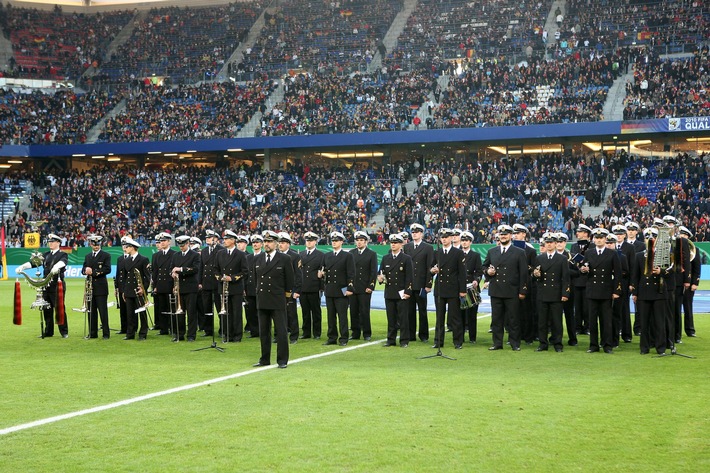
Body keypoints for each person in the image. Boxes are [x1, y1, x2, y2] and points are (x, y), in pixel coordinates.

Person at [483, 224, 528, 351]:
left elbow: (523, 273)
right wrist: (488, 272)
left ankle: (515, 343)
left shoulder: (519, 252)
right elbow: (484, 266)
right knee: (497, 319)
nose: (503, 236)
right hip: (496, 290)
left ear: (511, 236)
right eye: (501, 234)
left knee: (513, 319)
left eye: (506, 234)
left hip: (512, 290)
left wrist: (522, 290)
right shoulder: (492, 251)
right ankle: (497, 343)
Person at [253, 230, 294, 369]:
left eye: (269, 242)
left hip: (277, 300)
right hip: (262, 299)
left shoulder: (284, 259)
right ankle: (264, 359)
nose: (267, 244)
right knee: (263, 332)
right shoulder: (258, 259)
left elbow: (290, 281)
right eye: (265, 241)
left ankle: (282, 360)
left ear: (276, 243)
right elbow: (255, 279)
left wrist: (287, 298)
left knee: (281, 331)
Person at [17, 233, 68, 338]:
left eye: (52, 242)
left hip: (56, 285)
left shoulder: (62, 254)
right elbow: (34, 263)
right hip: (46, 285)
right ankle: (48, 331)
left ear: (58, 242)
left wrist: (56, 267)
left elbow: (63, 262)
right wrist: (23, 266)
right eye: (49, 242)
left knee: (59, 308)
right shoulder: (46, 255)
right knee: (46, 308)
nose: (50, 244)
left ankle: (64, 331)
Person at [580, 228, 622, 354]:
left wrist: (616, 291)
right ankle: (593, 345)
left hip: (606, 291)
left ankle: (607, 345)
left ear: (605, 239)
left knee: (606, 320)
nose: (598, 240)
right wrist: (583, 270)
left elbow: (618, 274)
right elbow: (584, 270)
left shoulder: (612, 253)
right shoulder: (589, 253)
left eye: (601, 238)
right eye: (596, 238)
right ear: (593, 239)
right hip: (592, 291)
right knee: (592, 321)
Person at [631, 227, 670, 355]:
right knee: (644, 323)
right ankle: (644, 348)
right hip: (644, 293)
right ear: (644, 239)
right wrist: (635, 293)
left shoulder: (664, 255)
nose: (650, 239)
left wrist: (661, 272)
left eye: (652, 237)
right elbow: (635, 276)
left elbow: (671, 273)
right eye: (647, 238)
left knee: (660, 323)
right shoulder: (639, 255)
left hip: (659, 292)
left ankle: (661, 348)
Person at [532, 233, 570, 352]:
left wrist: (565, 293)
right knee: (542, 321)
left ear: (555, 243)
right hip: (543, 293)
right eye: (547, 242)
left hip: (556, 294)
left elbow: (565, 278)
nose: (549, 244)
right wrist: (535, 275)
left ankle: (558, 344)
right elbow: (534, 275)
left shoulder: (562, 259)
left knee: (556, 321)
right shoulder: (539, 258)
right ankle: (543, 344)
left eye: (551, 242)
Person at [430, 228, 467, 349]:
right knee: (439, 317)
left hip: (453, 288)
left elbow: (462, 273)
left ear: (451, 238)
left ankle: (458, 341)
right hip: (440, 289)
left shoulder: (458, 253)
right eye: (442, 237)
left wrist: (462, 290)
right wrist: (433, 271)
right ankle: (438, 341)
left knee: (455, 317)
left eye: (446, 237)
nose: (444, 239)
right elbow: (430, 269)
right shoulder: (437, 253)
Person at [319, 231, 354, 346]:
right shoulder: (327, 256)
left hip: (341, 289)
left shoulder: (347, 256)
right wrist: (321, 275)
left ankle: (344, 337)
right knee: (330, 316)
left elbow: (351, 273)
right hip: (330, 289)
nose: (334, 243)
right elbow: (323, 270)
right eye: (333, 241)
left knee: (342, 316)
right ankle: (332, 337)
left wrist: (349, 288)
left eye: (336, 241)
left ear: (341, 242)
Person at [378, 233, 413, 347]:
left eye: (395, 243)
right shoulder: (385, 258)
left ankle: (404, 340)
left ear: (401, 244)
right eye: (392, 243)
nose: (393, 245)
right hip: (389, 291)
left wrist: (408, 291)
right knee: (391, 318)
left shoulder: (406, 258)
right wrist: (380, 279)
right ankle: (391, 339)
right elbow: (381, 273)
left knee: (403, 318)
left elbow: (409, 277)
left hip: (401, 291)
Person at [214, 230, 248, 343]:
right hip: (223, 287)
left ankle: (237, 335)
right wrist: (220, 278)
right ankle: (226, 334)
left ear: (233, 240)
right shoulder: (219, 254)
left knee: (237, 312)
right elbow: (215, 269)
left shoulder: (241, 254)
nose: (224, 241)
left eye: (227, 239)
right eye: (224, 239)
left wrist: (232, 278)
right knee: (225, 313)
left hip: (236, 287)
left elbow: (244, 272)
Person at [403, 223, 434, 343]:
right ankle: (411, 334)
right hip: (410, 285)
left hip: (421, 284)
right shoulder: (407, 247)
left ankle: (423, 335)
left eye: (417, 232)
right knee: (409, 311)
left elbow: (429, 267)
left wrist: (428, 284)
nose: (414, 234)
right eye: (413, 232)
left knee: (422, 311)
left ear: (421, 233)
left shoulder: (428, 248)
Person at [171, 235, 202, 342]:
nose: (181, 247)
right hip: (179, 287)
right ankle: (180, 334)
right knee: (179, 313)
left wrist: (180, 269)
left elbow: (195, 269)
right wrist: (173, 273)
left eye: (183, 245)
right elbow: (172, 268)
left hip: (190, 287)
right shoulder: (176, 255)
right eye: (180, 245)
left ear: (188, 243)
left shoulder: (195, 255)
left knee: (191, 313)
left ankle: (191, 335)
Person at [120, 237, 151, 341]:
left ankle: (143, 333)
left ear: (132, 247)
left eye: (127, 246)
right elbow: (124, 277)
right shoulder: (126, 260)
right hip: (129, 290)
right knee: (130, 314)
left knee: (142, 312)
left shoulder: (143, 259)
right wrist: (124, 291)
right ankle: (130, 333)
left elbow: (147, 277)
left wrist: (144, 289)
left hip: (139, 291)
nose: (125, 248)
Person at [81, 234, 111, 339]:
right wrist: (85, 271)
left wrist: (93, 272)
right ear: (90, 244)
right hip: (90, 287)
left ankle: (106, 334)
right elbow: (83, 269)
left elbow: (107, 269)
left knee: (103, 312)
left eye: (98, 244)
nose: (96, 246)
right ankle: (93, 333)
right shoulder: (88, 256)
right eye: (94, 244)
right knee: (91, 312)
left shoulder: (105, 255)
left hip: (101, 287)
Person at [512, 223, 538, 345]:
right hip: (512, 284)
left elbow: (534, 268)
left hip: (526, 284)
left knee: (527, 311)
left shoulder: (531, 250)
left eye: (518, 233)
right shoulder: (510, 248)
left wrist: (526, 268)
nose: (515, 235)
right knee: (513, 313)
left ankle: (528, 336)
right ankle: (515, 336)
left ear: (524, 234)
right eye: (514, 233)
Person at [350, 230, 377, 341]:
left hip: (365, 287)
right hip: (353, 287)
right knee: (353, 311)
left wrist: (371, 286)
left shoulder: (371, 254)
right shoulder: (351, 253)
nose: (359, 242)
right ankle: (355, 333)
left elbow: (373, 271)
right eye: (358, 240)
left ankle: (367, 333)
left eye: (361, 240)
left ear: (366, 242)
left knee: (364, 311)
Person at [612, 224, 635, 343]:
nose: (618, 236)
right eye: (616, 234)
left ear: (624, 235)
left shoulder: (630, 248)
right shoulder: (610, 246)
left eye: (620, 234)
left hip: (625, 282)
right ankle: (615, 332)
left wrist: (631, 283)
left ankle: (626, 334)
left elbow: (632, 266)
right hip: (611, 283)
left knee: (625, 309)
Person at [299, 231, 324, 339]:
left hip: (314, 287)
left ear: (315, 242)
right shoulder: (301, 255)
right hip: (303, 287)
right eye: (307, 241)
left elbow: (323, 271)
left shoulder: (320, 255)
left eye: (311, 241)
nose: (309, 243)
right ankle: (306, 332)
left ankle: (317, 332)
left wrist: (322, 287)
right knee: (305, 311)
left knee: (316, 311)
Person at [278, 231, 302, 344]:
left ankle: (294, 336)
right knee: (278, 314)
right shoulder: (276, 255)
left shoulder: (295, 256)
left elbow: (298, 275)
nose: (280, 245)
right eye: (279, 242)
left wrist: (296, 290)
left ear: (288, 244)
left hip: (290, 290)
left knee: (292, 314)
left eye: (283, 242)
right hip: (278, 290)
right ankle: (279, 335)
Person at [199, 229, 224, 338]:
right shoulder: (204, 251)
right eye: (207, 238)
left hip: (217, 283)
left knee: (220, 308)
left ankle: (223, 329)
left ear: (216, 239)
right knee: (207, 308)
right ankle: (208, 330)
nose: (207, 240)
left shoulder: (221, 250)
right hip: (206, 284)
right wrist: (199, 282)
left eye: (210, 238)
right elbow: (201, 267)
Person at [555, 232, 578, 346]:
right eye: (557, 242)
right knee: (554, 315)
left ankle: (573, 338)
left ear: (565, 243)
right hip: (554, 289)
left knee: (569, 315)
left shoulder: (571, 256)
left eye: (562, 242)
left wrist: (564, 271)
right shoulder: (551, 255)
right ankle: (556, 338)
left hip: (569, 289)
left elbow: (578, 273)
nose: (559, 244)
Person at [459, 231, 482, 343]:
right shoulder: (457, 254)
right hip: (459, 288)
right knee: (460, 314)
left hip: (471, 288)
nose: (464, 243)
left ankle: (472, 337)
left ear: (470, 242)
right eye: (462, 240)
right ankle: (460, 337)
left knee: (472, 315)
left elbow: (479, 271)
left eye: (466, 240)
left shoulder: (475, 255)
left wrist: (476, 280)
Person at [151, 232, 175, 336]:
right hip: (160, 285)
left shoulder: (174, 254)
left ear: (169, 242)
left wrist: (175, 286)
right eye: (161, 241)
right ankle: (163, 329)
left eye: (164, 241)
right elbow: (155, 272)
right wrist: (155, 286)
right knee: (162, 308)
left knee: (172, 308)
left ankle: (173, 328)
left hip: (170, 285)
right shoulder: (156, 255)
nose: (162, 243)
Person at [570, 224, 592, 335]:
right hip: (577, 279)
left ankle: (587, 327)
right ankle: (577, 327)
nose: (577, 234)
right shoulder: (574, 246)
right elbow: (572, 261)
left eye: (580, 232)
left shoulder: (591, 246)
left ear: (586, 233)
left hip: (588, 280)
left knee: (587, 307)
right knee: (577, 306)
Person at [678, 226, 699, 338]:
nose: (682, 237)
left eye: (684, 235)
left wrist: (695, 282)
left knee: (688, 307)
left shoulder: (695, 250)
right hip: (677, 282)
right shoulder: (675, 248)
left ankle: (690, 330)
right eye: (681, 234)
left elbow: (697, 268)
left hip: (689, 283)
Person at [245, 234, 263, 338]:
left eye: (257, 242)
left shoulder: (264, 256)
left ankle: (262, 331)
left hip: (261, 288)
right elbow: (245, 273)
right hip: (250, 288)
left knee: (261, 311)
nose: (255, 244)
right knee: (251, 311)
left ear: (261, 244)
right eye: (254, 243)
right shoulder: (248, 257)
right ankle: (254, 331)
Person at [114, 236, 130, 334]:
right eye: (123, 245)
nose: (124, 247)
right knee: (122, 309)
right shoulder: (120, 258)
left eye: (126, 245)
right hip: (121, 287)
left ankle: (131, 328)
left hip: (129, 287)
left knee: (130, 308)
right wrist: (116, 287)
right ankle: (123, 328)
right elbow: (117, 274)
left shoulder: (133, 258)